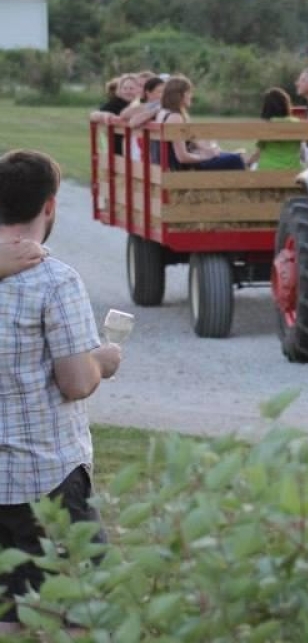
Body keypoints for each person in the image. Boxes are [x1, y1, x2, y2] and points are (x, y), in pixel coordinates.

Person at [0, 150, 121, 635]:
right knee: (82, 609)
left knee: (14, 607)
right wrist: (103, 360)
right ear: (50, 206)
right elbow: (76, 382)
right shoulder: (54, 280)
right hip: (44, 475)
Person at [152, 76, 249, 170]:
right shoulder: (175, 117)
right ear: (179, 95)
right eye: (189, 92)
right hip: (182, 169)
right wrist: (206, 156)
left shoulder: (163, 112)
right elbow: (182, 157)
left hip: (173, 166)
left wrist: (211, 150)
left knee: (231, 156)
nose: (191, 96)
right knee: (236, 160)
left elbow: (192, 141)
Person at [250, 87, 303, 171]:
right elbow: (300, 149)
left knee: (253, 167)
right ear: (286, 104)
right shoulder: (297, 123)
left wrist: (248, 162)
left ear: (267, 107)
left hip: (267, 170)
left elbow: (258, 153)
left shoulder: (266, 125)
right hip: (292, 170)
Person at [89, 73, 139, 155]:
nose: (128, 91)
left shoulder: (141, 104)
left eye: (131, 88)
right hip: (119, 151)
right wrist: (105, 115)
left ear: (138, 89)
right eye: (125, 88)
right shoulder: (114, 104)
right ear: (120, 90)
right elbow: (93, 115)